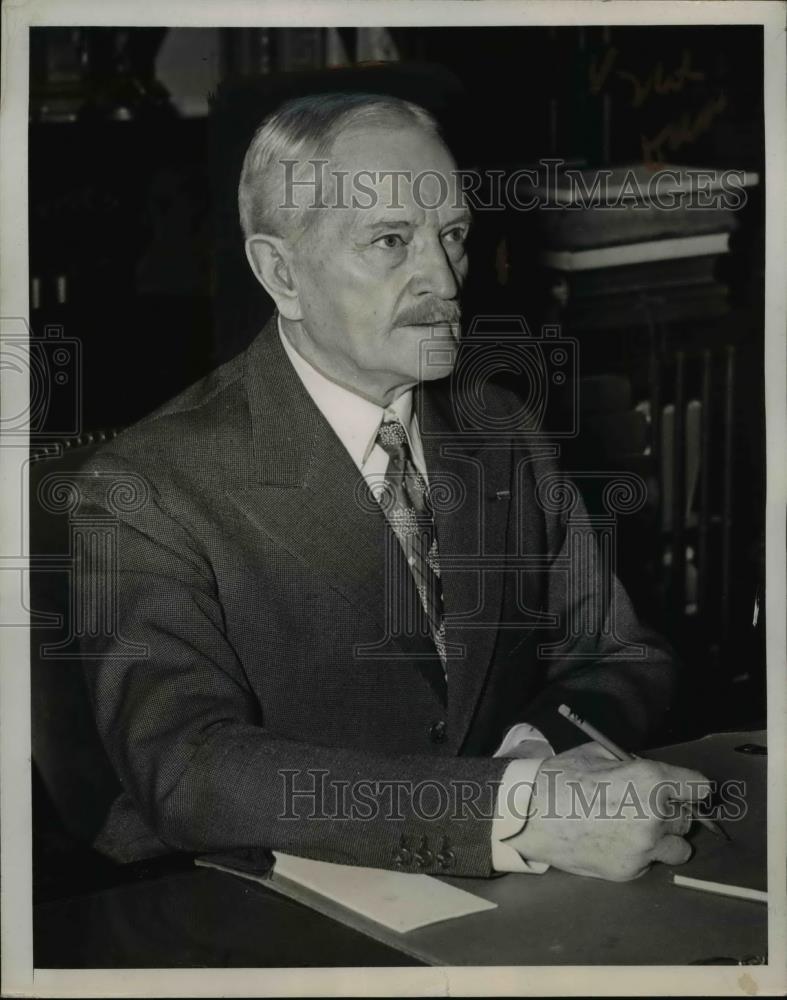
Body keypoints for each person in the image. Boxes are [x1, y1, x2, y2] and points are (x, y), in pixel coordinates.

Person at [80, 92, 710, 882]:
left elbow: (620, 654)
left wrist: (533, 758)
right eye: (389, 240)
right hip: (228, 901)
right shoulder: (146, 486)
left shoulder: (501, 432)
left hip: (495, 897)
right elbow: (185, 770)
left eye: (452, 236)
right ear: (281, 272)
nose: (444, 280)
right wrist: (508, 809)